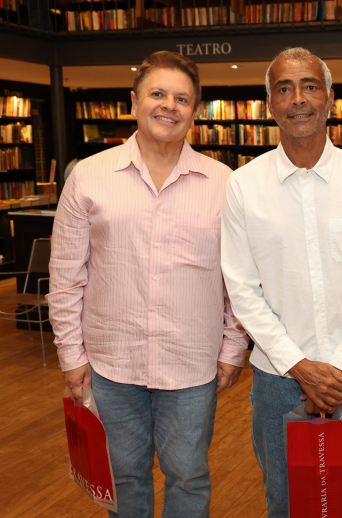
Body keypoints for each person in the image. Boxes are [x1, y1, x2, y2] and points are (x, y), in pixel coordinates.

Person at [48, 51, 249, 518]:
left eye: (182, 98)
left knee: (189, 476)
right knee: (125, 477)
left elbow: (239, 281)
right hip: (111, 363)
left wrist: (232, 348)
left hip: (192, 364)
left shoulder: (225, 183)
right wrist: (71, 355)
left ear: (194, 112)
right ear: (134, 101)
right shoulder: (88, 178)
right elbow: (65, 277)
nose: (169, 106)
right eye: (158, 94)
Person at [220, 47, 342, 518]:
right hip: (279, 375)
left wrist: (338, 369)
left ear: (330, 98)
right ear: (269, 104)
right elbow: (242, 289)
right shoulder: (244, 185)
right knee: (286, 500)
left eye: (309, 86)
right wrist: (300, 366)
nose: (297, 99)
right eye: (284, 88)